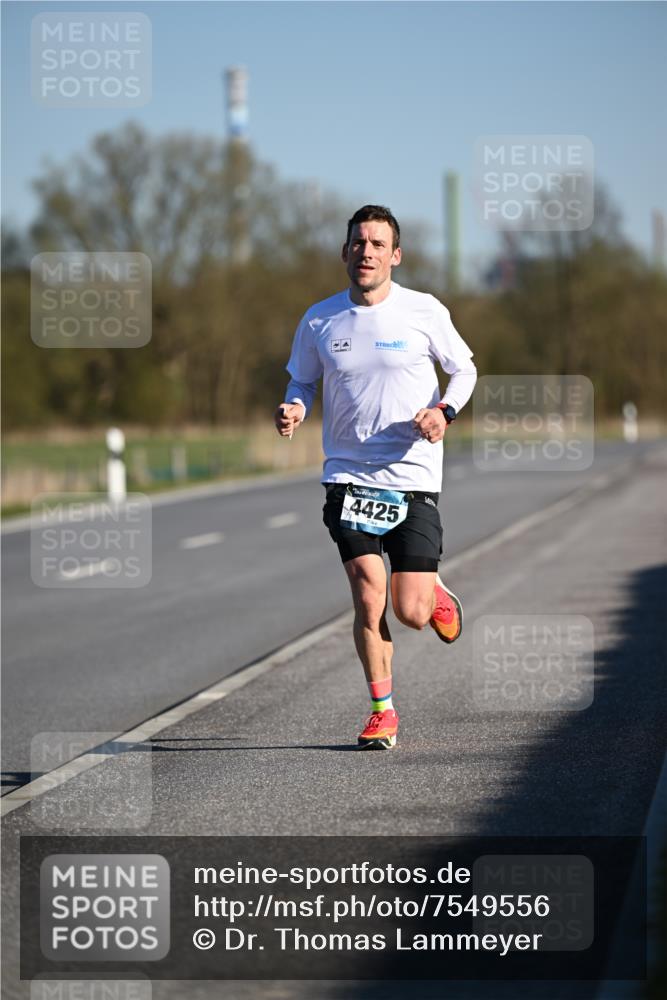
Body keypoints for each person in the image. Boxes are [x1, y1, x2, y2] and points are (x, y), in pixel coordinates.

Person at [274, 205, 477, 749]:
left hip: (412, 476)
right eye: (359, 243)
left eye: (378, 244)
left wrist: (445, 412)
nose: (367, 252)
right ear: (345, 252)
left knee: (410, 611)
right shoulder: (319, 319)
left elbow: (464, 369)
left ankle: (431, 594)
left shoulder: (423, 311)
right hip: (347, 476)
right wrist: (294, 407)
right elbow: (301, 381)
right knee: (368, 595)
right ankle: (382, 712)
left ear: (396, 255)